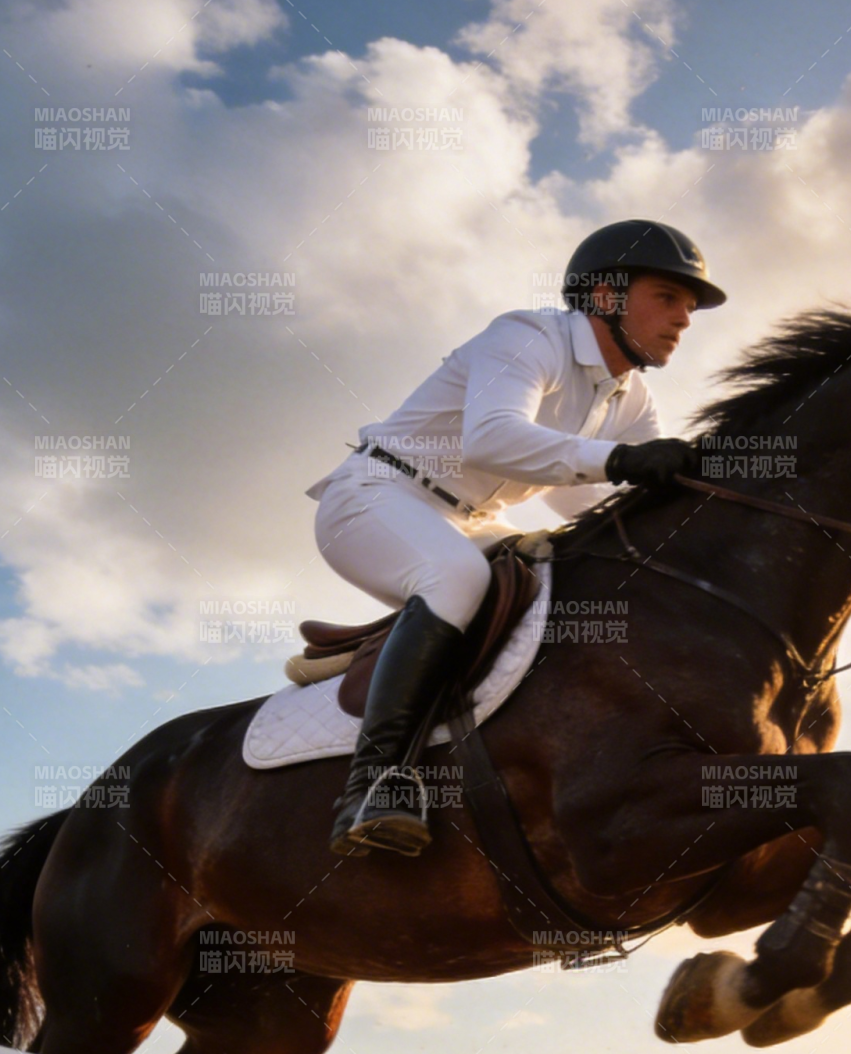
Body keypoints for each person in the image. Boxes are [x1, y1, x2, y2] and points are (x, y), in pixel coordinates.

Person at [307, 221, 726, 856]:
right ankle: (375, 782)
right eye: (668, 297)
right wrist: (621, 462)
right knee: (458, 577)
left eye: (690, 307)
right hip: (376, 496)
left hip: (466, 521)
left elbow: (583, 496)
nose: (684, 320)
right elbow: (493, 439)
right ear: (607, 297)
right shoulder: (527, 335)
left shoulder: (630, 397)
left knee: (573, 572)